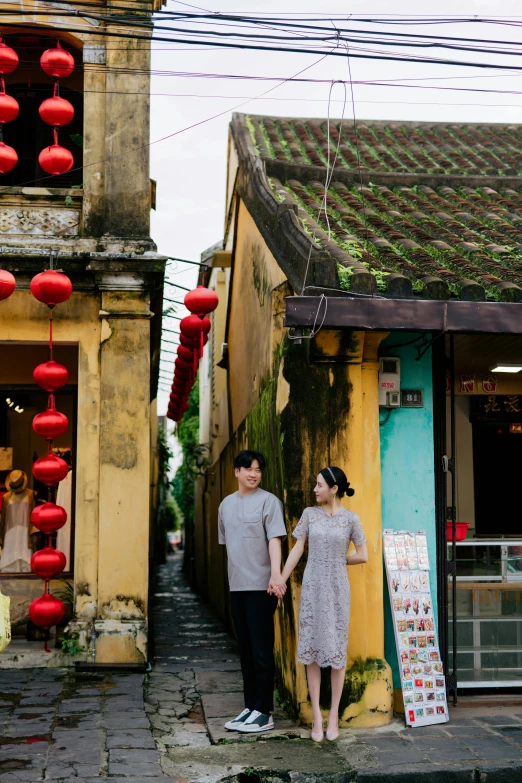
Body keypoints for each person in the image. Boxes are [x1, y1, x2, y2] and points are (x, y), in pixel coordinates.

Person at [278, 467, 368, 742]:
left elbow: (363, 555)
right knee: (313, 648)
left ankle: (333, 717)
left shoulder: (351, 519)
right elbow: (297, 548)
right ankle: (317, 714)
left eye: (319, 485)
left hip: (338, 587)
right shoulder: (309, 514)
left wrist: (340, 560)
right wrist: (280, 578)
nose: (314, 489)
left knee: (336, 649)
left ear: (334, 489)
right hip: (313, 586)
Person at [218, 449, 287, 734]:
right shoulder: (225, 505)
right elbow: (229, 545)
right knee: (245, 649)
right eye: (248, 469)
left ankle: (265, 711)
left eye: (258, 469)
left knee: (261, 650)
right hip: (237, 586)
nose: (253, 474)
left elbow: (274, 540)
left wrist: (275, 575)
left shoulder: (269, 502)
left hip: (262, 587)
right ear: (236, 471)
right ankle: (250, 706)